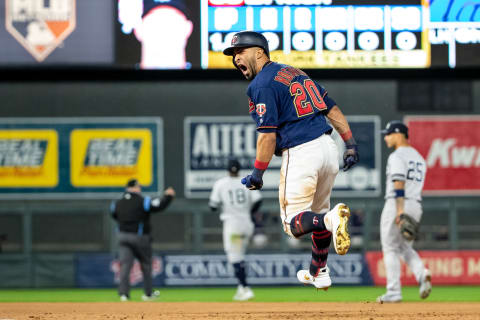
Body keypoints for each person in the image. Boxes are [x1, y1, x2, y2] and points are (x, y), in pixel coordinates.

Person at [222, 31, 360, 290]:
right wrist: (350, 144)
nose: (236, 58)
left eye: (241, 51)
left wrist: (257, 173)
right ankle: (319, 272)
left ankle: (331, 220)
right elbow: (332, 109)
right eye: (233, 55)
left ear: (260, 52)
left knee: (292, 223)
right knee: (316, 215)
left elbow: (267, 136)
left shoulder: (261, 84)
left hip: (301, 151)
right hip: (328, 148)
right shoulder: (294, 72)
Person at [377, 120, 432, 303]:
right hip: (416, 204)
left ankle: (393, 291)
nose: (386, 137)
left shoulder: (397, 156)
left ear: (398, 134)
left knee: (390, 247)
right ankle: (422, 274)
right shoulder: (419, 158)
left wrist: (400, 211)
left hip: (397, 203)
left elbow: (398, 183)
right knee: (404, 247)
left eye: (388, 134)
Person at [110, 178, 175, 301]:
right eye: (138, 187)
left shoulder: (117, 203)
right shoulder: (143, 201)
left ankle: (124, 294)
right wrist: (168, 197)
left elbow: (113, 215)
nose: (139, 189)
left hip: (122, 237)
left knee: (125, 266)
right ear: (134, 188)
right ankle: (148, 294)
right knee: (146, 264)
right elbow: (158, 206)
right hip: (139, 237)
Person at [209, 159, 262, 301]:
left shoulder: (221, 183)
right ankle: (241, 288)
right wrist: (249, 213)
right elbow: (258, 200)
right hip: (246, 223)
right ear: (239, 169)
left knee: (235, 257)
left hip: (233, 225)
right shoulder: (246, 182)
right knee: (239, 255)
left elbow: (213, 205)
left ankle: (245, 288)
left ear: (227, 169)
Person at [118, 0, 193, 69]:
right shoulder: (118, 82)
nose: (163, 33)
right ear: (138, 30)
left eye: (172, 22)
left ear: (188, 28)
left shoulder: (201, 80)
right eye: (154, 23)